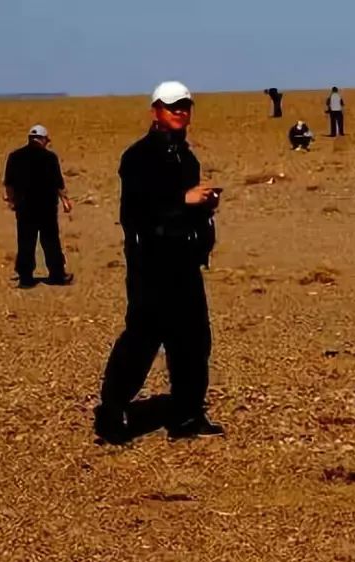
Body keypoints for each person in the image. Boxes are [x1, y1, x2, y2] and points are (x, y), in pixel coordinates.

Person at [94, 81, 224, 444]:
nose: (180, 112)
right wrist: (184, 198)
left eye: (185, 106)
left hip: (184, 264)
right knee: (141, 340)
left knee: (193, 342)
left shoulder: (186, 156)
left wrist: (205, 207)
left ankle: (187, 416)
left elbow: (183, 209)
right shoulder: (137, 157)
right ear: (155, 111)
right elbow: (137, 212)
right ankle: (113, 412)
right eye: (172, 107)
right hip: (150, 266)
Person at [3, 125, 74, 288]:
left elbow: (9, 183)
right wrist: (65, 201)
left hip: (24, 207)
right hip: (46, 207)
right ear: (42, 139)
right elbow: (58, 183)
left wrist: (12, 201)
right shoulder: (50, 158)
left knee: (25, 240)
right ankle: (57, 275)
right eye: (47, 140)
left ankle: (25, 277)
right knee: (50, 241)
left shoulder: (15, 157)